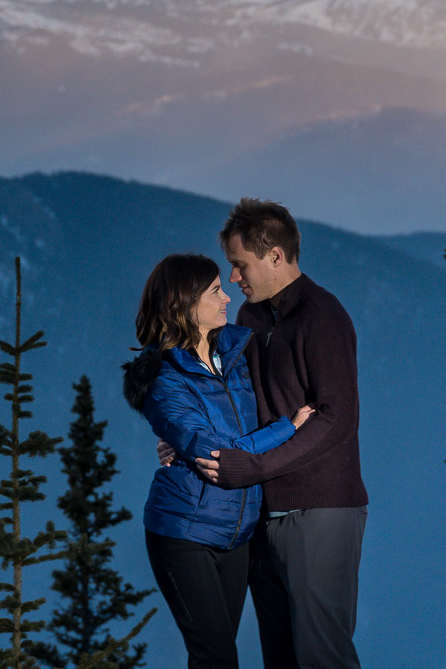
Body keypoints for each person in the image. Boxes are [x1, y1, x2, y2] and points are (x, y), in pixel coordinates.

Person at [190, 199, 369, 669]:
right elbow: (239, 404)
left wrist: (254, 467)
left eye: (239, 265)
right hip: (263, 512)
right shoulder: (251, 319)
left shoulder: (322, 316)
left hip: (321, 510)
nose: (233, 279)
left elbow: (336, 419)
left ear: (275, 255)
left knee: (322, 656)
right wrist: (188, 438)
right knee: (282, 658)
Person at [123, 253, 314, 669]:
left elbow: (238, 428)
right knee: (217, 658)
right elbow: (217, 455)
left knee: (215, 657)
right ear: (185, 305)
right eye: (214, 291)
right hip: (184, 532)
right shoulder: (163, 378)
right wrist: (289, 429)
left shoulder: (235, 353)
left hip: (237, 533)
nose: (227, 298)